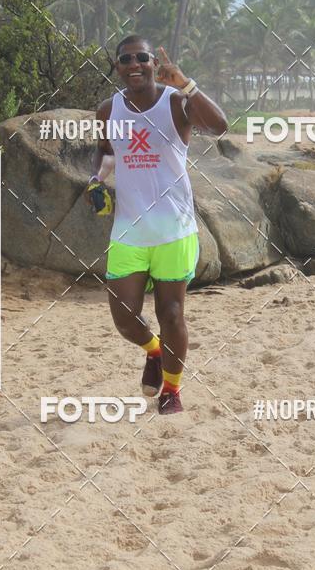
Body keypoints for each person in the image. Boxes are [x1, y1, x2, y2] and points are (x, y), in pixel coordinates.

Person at [86, 35, 227, 414]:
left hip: (174, 231)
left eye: (142, 57)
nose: (134, 64)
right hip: (129, 230)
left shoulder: (176, 102)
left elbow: (220, 126)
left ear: (153, 63)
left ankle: (172, 390)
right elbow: (104, 152)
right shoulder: (107, 110)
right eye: (126, 59)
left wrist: (186, 84)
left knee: (172, 315)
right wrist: (97, 180)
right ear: (117, 66)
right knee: (125, 319)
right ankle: (153, 351)